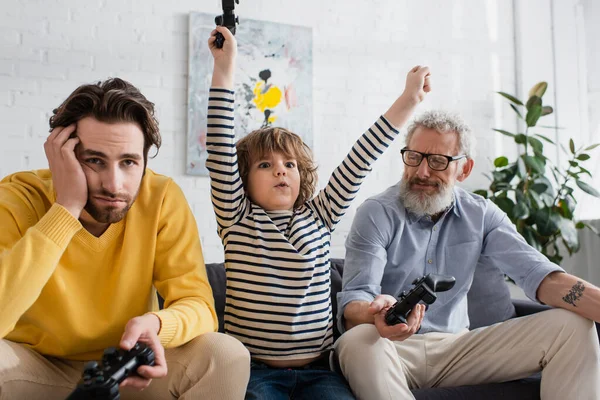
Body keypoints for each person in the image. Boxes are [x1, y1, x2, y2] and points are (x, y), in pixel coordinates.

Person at [206, 26, 431, 399]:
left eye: (290, 164)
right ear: (242, 179)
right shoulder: (237, 218)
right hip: (254, 374)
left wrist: (408, 100)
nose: (281, 170)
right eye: (265, 165)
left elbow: (360, 158)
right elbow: (218, 146)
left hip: (319, 371)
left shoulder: (320, 215)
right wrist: (225, 68)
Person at [0, 78, 250, 400]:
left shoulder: (160, 198)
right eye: (94, 160)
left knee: (225, 354)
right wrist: (66, 209)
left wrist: (158, 324)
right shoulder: (18, 197)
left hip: (127, 369)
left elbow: (199, 305)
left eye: (129, 162)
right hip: (36, 368)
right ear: (61, 154)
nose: (114, 184)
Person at [335, 109, 600, 399]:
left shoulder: (482, 214)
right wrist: (378, 313)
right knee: (357, 339)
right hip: (389, 348)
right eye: (414, 157)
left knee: (573, 325)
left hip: (458, 350)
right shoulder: (376, 213)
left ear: (464, 169)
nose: (422, 172)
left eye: (437, 161)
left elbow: (540, 276)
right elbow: (354, 301)